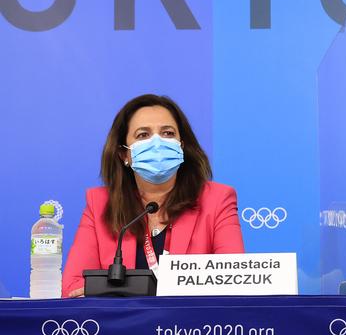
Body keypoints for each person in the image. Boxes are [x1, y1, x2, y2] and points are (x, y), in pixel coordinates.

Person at [62, 94, 244, 297]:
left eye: (167, 133)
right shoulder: (100, 204)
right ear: (124, 155)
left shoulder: (217, 199)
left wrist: (114, 291)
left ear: (181, 146)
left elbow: (233, 280)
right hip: (121, 325)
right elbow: (73, 288)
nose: (157, 143)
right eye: (143, 135)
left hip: (189, 326)